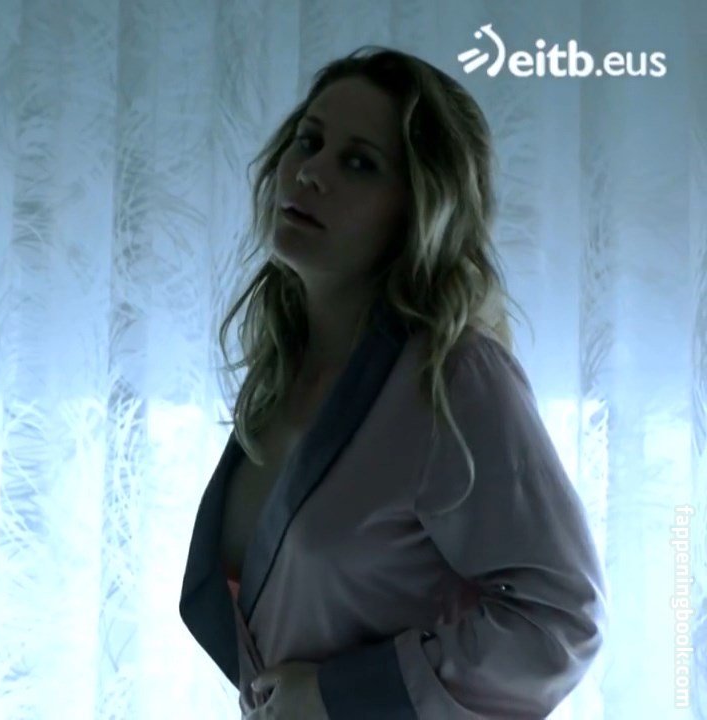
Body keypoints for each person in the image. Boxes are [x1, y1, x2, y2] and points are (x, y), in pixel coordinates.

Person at [178, 46, 607, 719]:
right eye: (309, 142)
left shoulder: (454, 379)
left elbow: (561, 620)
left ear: (417, 208)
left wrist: (338, 694)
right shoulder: (281, 378)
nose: (311, 172)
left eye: (359, 163)